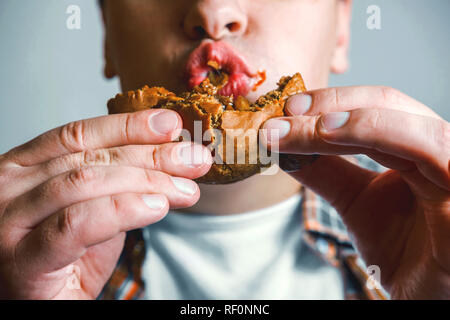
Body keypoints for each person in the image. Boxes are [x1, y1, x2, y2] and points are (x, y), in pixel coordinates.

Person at [0, 0, 448, 300]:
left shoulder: (429, 236)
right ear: (105, 32)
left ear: (342, 28)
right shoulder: (23, 261)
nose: (214, 13)